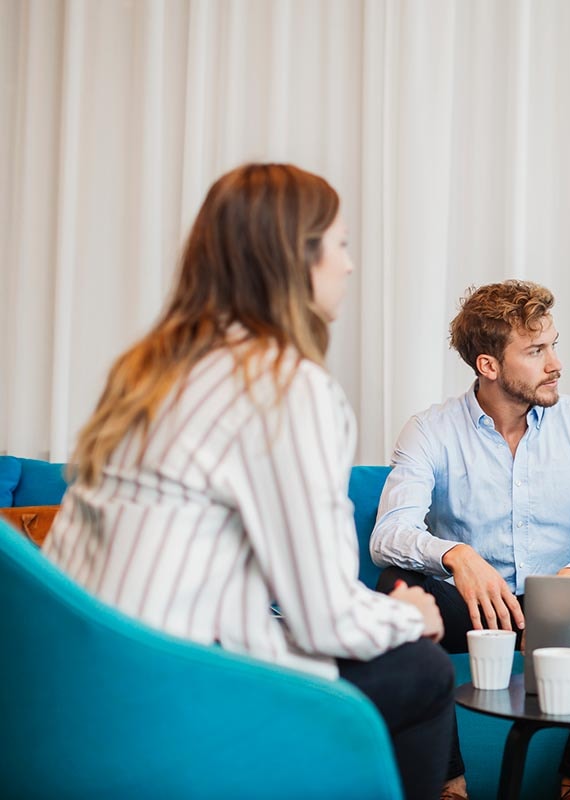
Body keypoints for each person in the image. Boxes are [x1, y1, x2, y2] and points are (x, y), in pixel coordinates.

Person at [41, 163, 454, 800]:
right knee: (421, 667)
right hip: (167, 704)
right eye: (340, 245)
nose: (348, 266)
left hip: (71, 694)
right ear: (297, 257)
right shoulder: (284, 386)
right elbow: (323, 618)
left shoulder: (147, 370)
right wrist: (404, 613)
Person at [370, 279, 570, 800]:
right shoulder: (429, 430)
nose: (556, 364)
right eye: (537, 350)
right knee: (398, 587)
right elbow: (388, 533)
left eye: (554, 344)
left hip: (566, 611)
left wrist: (569, 582)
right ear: (489, 366)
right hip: (474, 610)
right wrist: (455, 555)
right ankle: (446, 784)